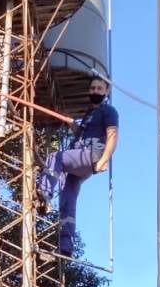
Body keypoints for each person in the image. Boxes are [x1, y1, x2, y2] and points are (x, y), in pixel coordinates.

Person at [37, 76, 119, 258]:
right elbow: (82, 133)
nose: (95, 91)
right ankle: (66, 248)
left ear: (105, 92)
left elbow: (112, 137)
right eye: (93, 88)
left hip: (90, 154)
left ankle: (44, 192)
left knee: (54, 157)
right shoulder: (90, 114)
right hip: (79, 157)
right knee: (67, 199)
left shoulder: (109, 111)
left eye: (99, 88)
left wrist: (102, 161)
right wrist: (72, 124)